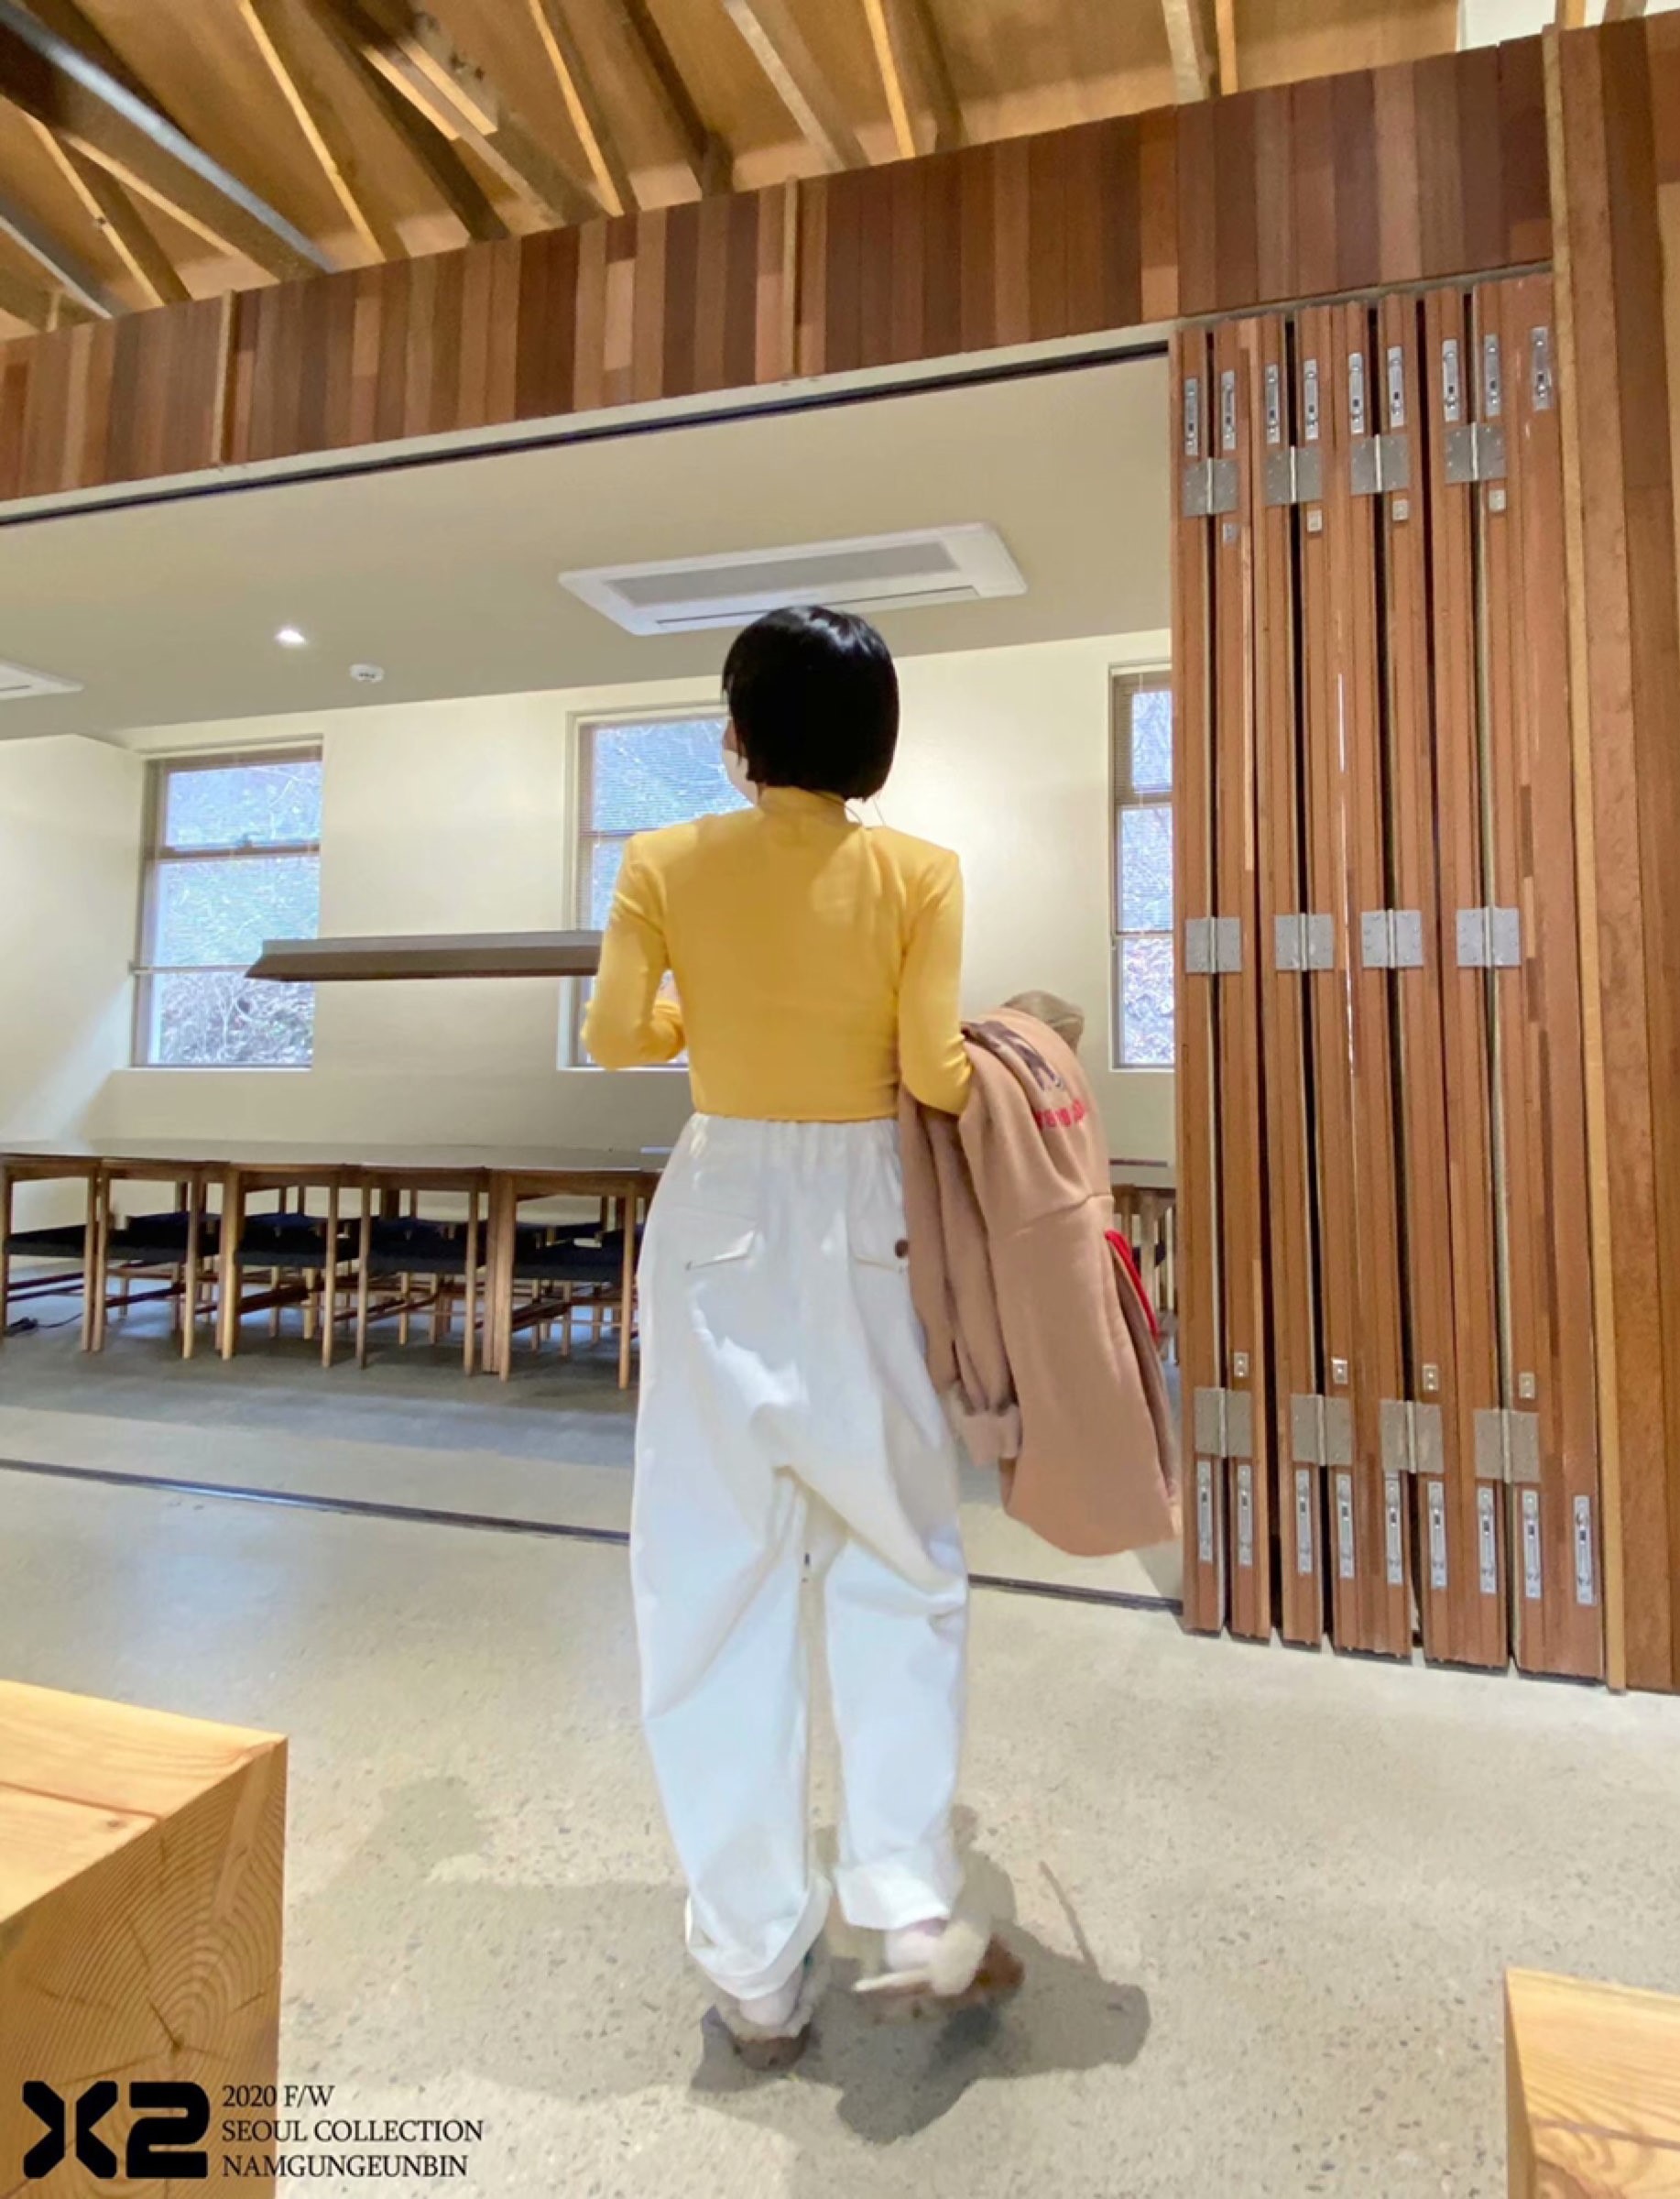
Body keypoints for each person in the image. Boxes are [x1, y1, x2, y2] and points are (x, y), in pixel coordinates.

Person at [584, 607, 1020, 2068]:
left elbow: (615, 1038)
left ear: (741, 731)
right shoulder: (920, 872)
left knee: (710, 1578)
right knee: (901, 1556)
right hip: (869, 1212)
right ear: (873, 740)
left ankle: (757, 1971)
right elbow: (933, 1071)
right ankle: (908, 1909)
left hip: (718, 1204)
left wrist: (694, 1020)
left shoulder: (661, 861)